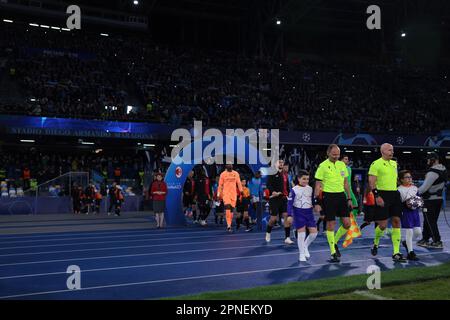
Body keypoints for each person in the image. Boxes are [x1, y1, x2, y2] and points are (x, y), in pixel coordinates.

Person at [314, 144, 353, 263]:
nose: (336, 156)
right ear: (328, 153)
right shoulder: (322, 166)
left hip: (341, 196)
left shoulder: (342, 165)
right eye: (334, 154)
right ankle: (333, 253)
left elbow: (346, 183)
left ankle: (334, 242)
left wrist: (349, 198)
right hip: (328, 196)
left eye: (338, 154)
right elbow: (318, 185)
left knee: (347, 224)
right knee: (331, 224)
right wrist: (316, 201)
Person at [368, 143, 407, 262]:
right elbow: (371, 182)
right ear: (383, 151)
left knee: (396, 221)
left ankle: (396, 252)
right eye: (390, 150)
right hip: (382, 195)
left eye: (393, 150)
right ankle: (376, 243)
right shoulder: (376, 164)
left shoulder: (394, 163)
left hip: (394, 194)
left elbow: (394, 180)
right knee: (383, 225)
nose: (392, 152)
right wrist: (377, 196)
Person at [417, 152, 447, 249]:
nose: (428, 161)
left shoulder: (432, 172)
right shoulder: (443, 169)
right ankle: (425, 239)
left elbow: (424, 188)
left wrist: (414, 192)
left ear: (433, 160)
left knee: (430, 221)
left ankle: (437, 241)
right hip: (438, 199)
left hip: (430, 200)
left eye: (429, 160)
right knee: (429, 220)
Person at [287, 170, 318, 261]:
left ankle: (305, 246)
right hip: (298, 213)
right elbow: (289, 203)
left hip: (309, 213)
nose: (306, 181)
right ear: (299, 179)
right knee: (302, 233)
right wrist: (289, 215)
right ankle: (301, 254)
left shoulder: (310, 188)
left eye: (307, 179)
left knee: (314, 233)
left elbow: (312, 200)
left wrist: (315, 206)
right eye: (304, 179)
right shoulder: (294, 190)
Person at [265, 159, 294, 245]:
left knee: (286, 217)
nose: (281, 164)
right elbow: (268, 184)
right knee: (273, 219)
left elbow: (287, 187)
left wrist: (289, 195)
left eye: (282, 163)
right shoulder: (272, 173)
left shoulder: (285, 175)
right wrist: (273, 191)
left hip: (284, 198)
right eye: (279, 163)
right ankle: (268, 232)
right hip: (274, 198)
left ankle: (287, 238)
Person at [398, 170, 422, 260]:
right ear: (401, 179)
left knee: (418, 232)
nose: (409, 179)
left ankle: (405, 242)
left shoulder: (415, 188)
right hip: (406, 212)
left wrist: (419, 204)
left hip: (415, 212)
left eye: (410, 177)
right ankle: (410, 253)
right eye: (407, 177)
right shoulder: (399, 189)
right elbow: (398, 203)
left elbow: (419, 198)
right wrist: (405, 204)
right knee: (409, 232)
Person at [217, 161, 243, 233]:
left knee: (231, 210)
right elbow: (220, 185)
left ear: (232, 165)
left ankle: (229, 223)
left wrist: (241, 191)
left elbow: (239, 183)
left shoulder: (236, 173)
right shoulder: (223, 174)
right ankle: (228, 226)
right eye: (228, 164)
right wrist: (218, 195)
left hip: (233, 194)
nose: (229, 165)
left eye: (230, 164)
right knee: (227, 207)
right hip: (226, 194)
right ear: (226, 166)